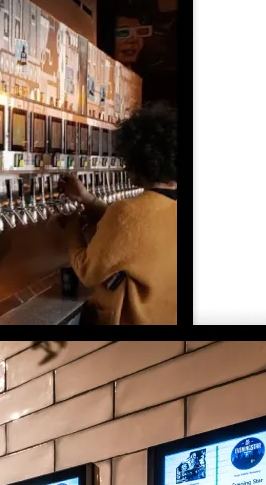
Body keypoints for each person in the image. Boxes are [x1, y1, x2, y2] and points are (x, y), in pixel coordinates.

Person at [59, 101, 177, 324]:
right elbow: (136, 230)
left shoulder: (127, 212)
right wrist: (87, 200)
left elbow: (87, 271)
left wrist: (70, 227)